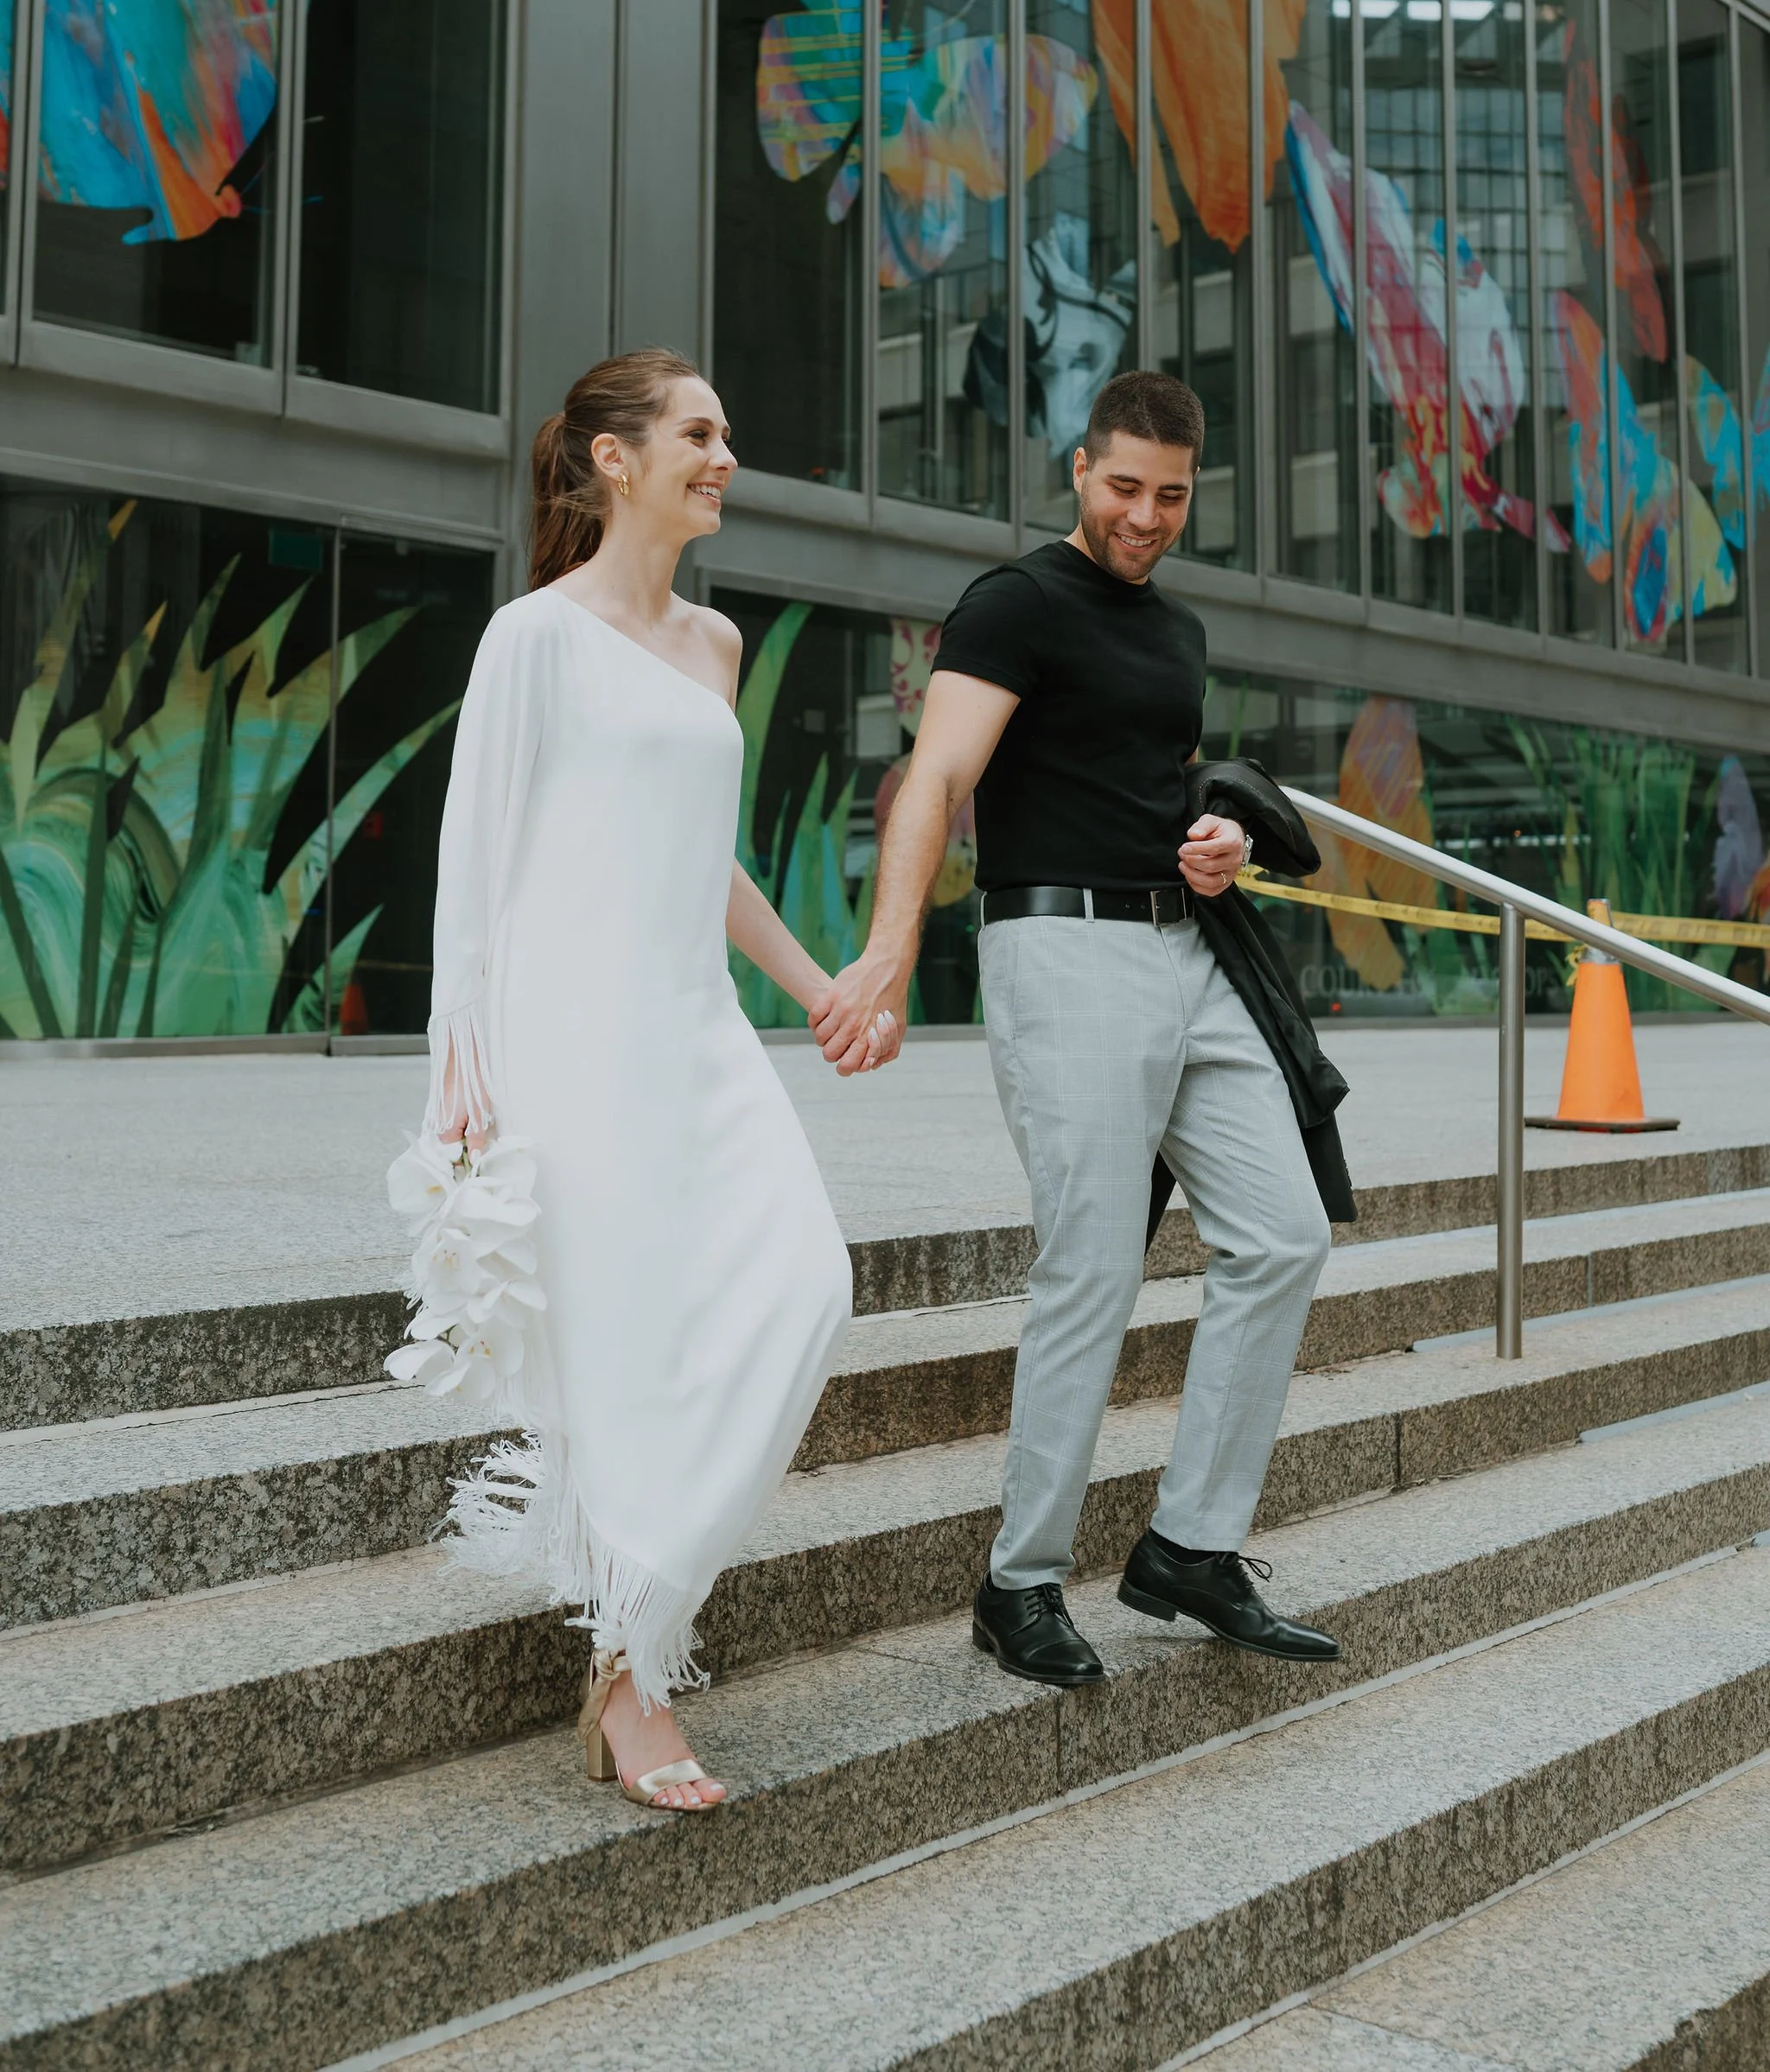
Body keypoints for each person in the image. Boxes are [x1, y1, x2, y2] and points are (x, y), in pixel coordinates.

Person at [386, 350, 888, 1811]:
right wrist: (460, 1072)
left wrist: (813, 989)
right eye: (699, 432)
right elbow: (471, 859)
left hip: (693, 1030)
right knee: (619, 1348)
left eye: (725, 432)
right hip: (568, 1036)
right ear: (615, 461)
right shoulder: (529, 640)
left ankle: (637, 1625)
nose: (725, 454)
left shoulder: (715, 646)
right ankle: (629, 1676)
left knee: (806, 1288)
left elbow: (705, 855)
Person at [812, 367, 1347, 1687]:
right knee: (1094, 1265)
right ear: (1079, 469)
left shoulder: (1177, 633)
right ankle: (1022, 1579)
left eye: (1170, 495)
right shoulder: (1013, 605)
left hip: (1187, 945)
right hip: (1060, 950)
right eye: (1123, 487)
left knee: (1281, 1232)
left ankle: (1191, 1548)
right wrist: (888, 953)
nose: (1146, 516)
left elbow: (1149, 788)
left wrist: (1214, 839)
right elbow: (936, 778)